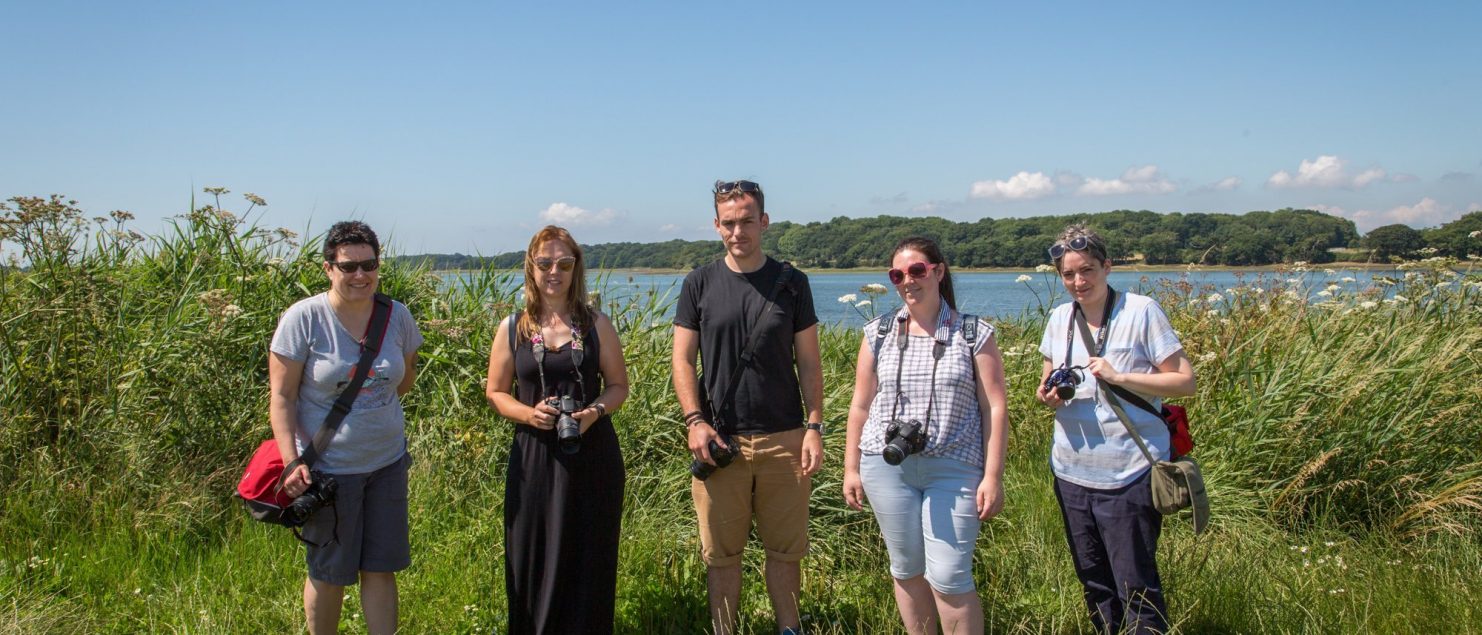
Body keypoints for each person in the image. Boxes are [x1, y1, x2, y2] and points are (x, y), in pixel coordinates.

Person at [672, 179, 824, 635]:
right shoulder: (699, 283)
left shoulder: (793, 284)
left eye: (747, 221)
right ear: (717, 226)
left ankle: (789, 630)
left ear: (765, 222)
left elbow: (810, 363)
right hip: (720, 442)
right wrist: (694, 421)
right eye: (729, 223)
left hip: (785, 439)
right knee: (721, 555)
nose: (739, 232)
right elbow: (681, 359)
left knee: (786, 552)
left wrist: (814, 426)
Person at [841, 236, 1010, 635]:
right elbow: (860, 406)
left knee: (951, 576)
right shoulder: (878, 333)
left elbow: (995, 408)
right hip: (887, 465)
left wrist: (993, 476)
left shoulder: (973, 333)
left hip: (955, 466)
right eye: (897, 274)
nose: (907, 281)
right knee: (906, 568)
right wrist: (850, 468)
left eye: (917, 271)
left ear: (938, 271)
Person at [1034, 224, 1196, 635]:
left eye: (1087, 270)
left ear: (1107, 267)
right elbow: (1048, 379)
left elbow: (1184, 381)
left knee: (1135, 583)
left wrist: (1120, 377)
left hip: (1129, 472)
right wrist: (1049, 395)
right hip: (1071, 473)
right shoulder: (1059, 319)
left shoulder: (1141, 311)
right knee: (1094, 582)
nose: (1078, 282)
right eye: (1068, 275)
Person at [269, 220, 423, 635]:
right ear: (328, 269)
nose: (360, 275)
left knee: (381, 567)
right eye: (348, 267)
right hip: (328, 471)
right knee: (330, 571)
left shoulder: (396, 315)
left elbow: (405, 378)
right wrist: (290, 460)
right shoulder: (304, 319)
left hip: (387, 464)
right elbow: (281, 397)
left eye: (368, 265)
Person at [485, 225, 629, 634]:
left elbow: (619, 386)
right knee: (531, 557)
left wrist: (593, 413)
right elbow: (495, 392)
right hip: (534, 460)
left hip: (593, 456)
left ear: (575, 268)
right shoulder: (512, 327)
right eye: (545, 263)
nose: (554, 271)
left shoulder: (597, 325)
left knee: (589, 559)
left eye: (564, 263)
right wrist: (529, 414)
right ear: (530, 267)